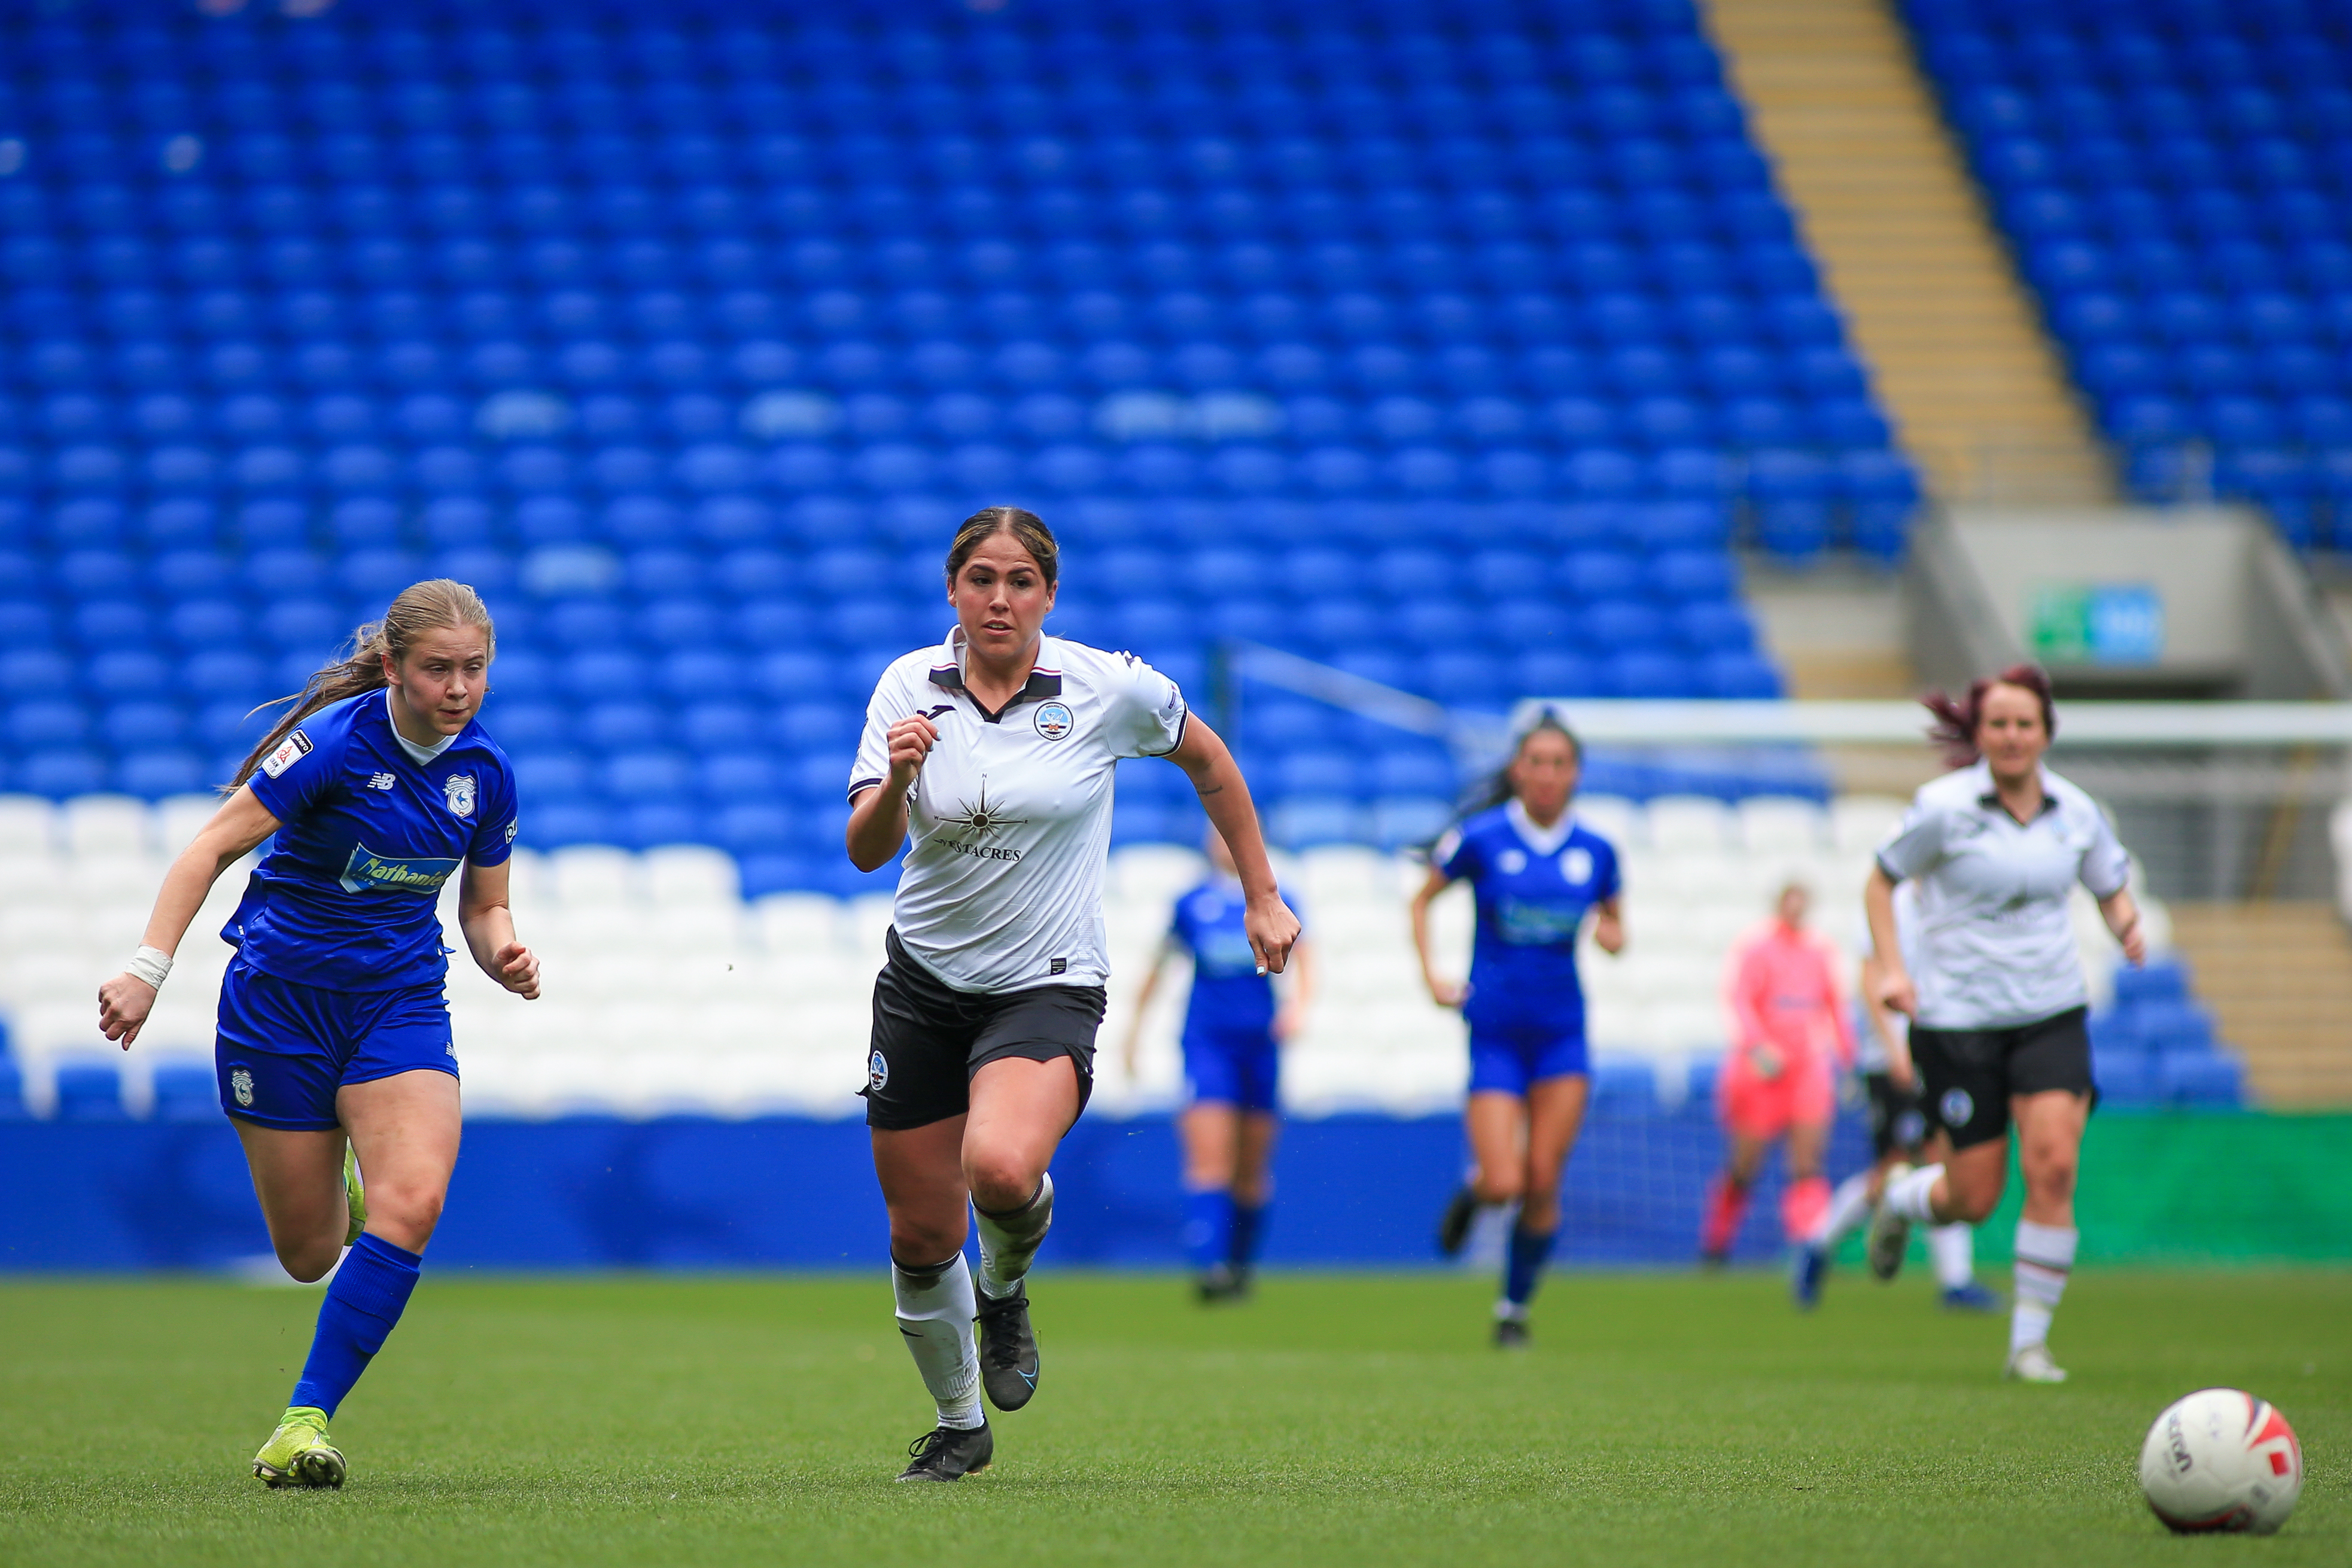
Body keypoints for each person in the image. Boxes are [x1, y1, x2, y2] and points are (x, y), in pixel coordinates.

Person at [846, 506, 1298, 1481]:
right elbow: (865, 849)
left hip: (1045, 984)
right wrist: (896, 779)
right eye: (980, 580)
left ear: (1048, 593)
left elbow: (1210, 761)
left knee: (1000, 1171)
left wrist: (1261, 894)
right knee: (921, 1235)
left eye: (1019, 581)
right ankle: (961, 1420)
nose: (998, 599)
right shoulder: (904, 688)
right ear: (952, 589)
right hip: (922, 985)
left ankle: (1004, 1288)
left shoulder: (1108, 688)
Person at [95, 580, 538, 1487]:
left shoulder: (486, 774)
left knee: (413, 1202)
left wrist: (506, 956)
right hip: (280, 1008)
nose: (459, 688)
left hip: (398, 1005)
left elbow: (485, 908)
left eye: (475, 669)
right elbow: (210, 846)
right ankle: (338, 1169)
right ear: (393, 667)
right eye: (438, 669)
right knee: (308, 1255)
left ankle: (304, 1421)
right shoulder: (333, 744)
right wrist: (146, 971)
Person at [1863, 665, 2144, 1383]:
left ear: (2046, 730)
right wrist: (1893, 969)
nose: (2012, 736)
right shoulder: (1942, 807)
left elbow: (2109, 884)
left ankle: (2028, 1344)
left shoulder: (2077, 811)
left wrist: (2125, 926)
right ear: (1977, 732)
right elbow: (1880, 879)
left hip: (2049, 1012)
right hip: (1958, 1019)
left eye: (2025, 723)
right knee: (1971, 1197)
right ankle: (1900, 1201)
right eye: (1998, 723)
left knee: (2052, 1164)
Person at [1413, 711, 1623, 1348]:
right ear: (1517, 770)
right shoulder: (1481, 838)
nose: (1548, 775)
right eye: (1537, 761)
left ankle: (1512, 1307)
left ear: (1575, 774)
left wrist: (1612, 932)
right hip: (1497, 1032)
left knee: (1542, 1177)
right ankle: (1475, 1192)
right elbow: (1421, 899)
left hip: (1562, 1034)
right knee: (1506, 1179)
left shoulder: (1596, 851)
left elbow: (1614, 920)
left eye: (1560, 763)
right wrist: (1433, 975)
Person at [1121, 830, 1314, 1302]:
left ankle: (1240, 1266)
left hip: (1260, 1044)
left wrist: (1300, 1007)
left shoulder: (1278, 898)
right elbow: (1159, 966)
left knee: (1250, 1168)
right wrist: (1133, 1033)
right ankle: (1209, 1271)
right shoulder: (1191, 902)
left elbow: (1307, 959)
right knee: (1208, 1160)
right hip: (1207, 1044)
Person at [1793, 878, 1998, 1312]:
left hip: (1944, 1049)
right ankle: (1817, 1244)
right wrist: (1894, 1050)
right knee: (1891, 1169)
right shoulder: (1892, 901)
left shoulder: (1955, 894)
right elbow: (1869, 980)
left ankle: (1955, 1282)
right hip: (1894, 1060)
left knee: (1946, 1160)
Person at [1699, 879, 1853, 1271]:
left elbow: (1835, 1007)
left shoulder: (1819, 954)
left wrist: (1848, 1058)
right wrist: (1757, 1046)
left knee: (1806, 1166)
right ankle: (1715, 1245)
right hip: (1760, 1073)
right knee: (1743, 1167)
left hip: (1805, 1071)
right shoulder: (1757, 951)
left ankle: (1808, 1249)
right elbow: (1739, 1000)